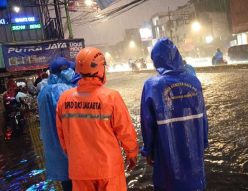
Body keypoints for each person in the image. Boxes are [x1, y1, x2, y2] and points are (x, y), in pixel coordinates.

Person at [56, 47, 138, 191]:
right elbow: (125, 130)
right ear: (100, 69)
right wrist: (131, 153)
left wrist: (75, 156)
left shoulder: (64, 99)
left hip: (79, 170)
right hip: (108, 169)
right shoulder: (111, 97)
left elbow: (62, 137)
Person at [140, 38, 209, 191]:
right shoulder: (194, 82)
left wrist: (148, 150)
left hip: (165, 154)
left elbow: (147, 123)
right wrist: (203, 141)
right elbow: (203, 115)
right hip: (194, 154)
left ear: (156, 59)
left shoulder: (151, 85)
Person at [37, 57, 76, 191]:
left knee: (66, 184)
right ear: (64, 71)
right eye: (70, 69)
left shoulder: (43, 91)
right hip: (72, 153)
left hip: (55, 155)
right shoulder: (64, 91)